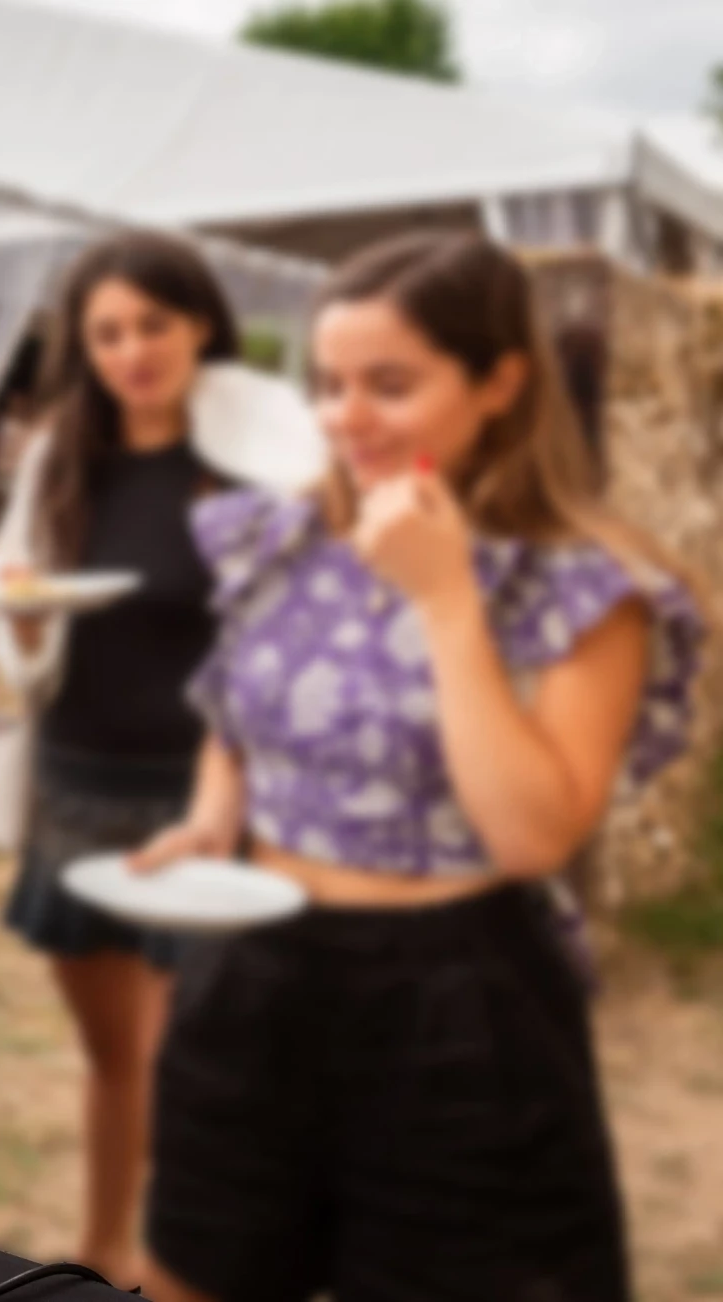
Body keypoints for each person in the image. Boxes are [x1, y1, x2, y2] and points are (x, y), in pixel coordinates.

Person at [137, 231, 703, 1302]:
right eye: (329, 383)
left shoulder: (583, 589)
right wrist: (215, 819)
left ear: (498, 382)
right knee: (197, 1273)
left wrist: (445, 603)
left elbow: (534, 834)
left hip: (458, 999)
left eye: (387, 384)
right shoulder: (284, 535)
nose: (344, 416)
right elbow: (233, 708)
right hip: (249, 972)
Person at [0, 231, 298, 1286]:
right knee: (112, 1057)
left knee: (184, 1063)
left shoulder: (250, 468)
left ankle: (189, 1264)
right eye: (108, 332)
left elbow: (275, 642)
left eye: (151, 325)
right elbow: (24, 636)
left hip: (197, 797)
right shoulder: (60, 458)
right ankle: (99, 1247)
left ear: (198, 324)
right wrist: (19, 617)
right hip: (74, 788)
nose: (131, 350)